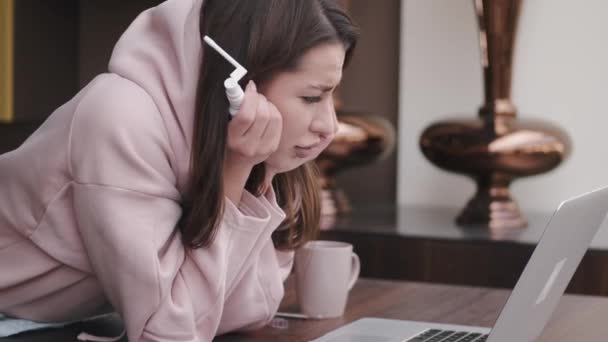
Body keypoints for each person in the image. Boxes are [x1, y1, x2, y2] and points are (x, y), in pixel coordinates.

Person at [0, 0, 358, 340]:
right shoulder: (119, 118)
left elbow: (248, 309)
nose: (329, 126)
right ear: (239, 82)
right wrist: (235, 173)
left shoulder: (252, 151)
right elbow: (169, 332)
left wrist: (250, 174)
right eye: (312, 97)